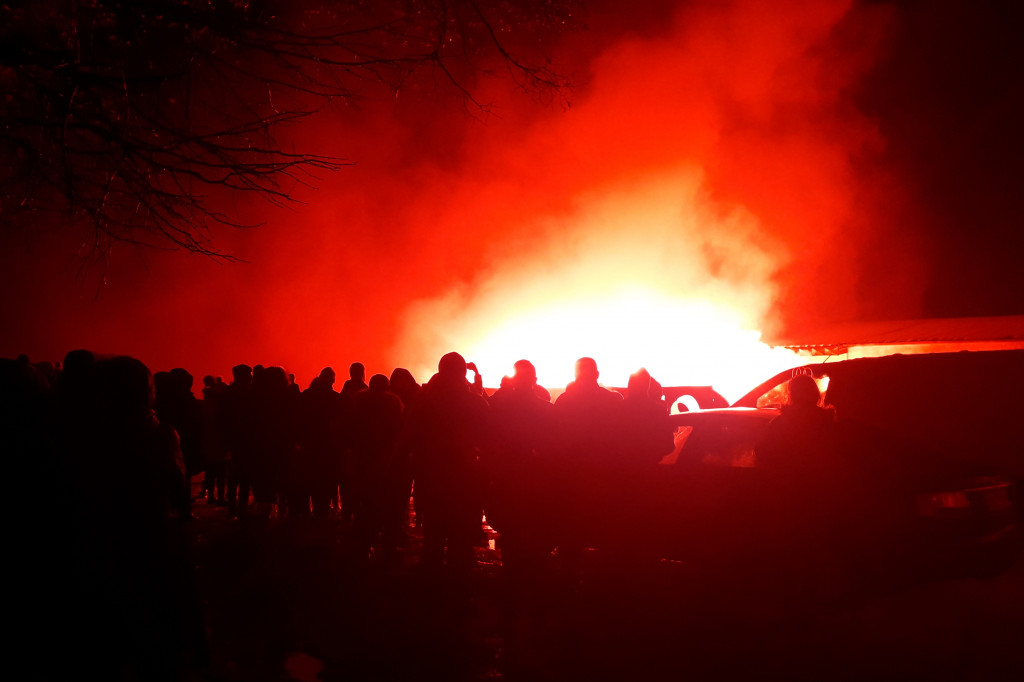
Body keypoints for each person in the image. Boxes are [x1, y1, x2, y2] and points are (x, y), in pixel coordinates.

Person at [399, 352, 491, 575]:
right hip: (465, 478)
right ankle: (456, 588)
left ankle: (431, 586)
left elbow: (408, 439)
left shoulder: (426, 403)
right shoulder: (476, 402)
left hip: (433, 476)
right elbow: (489, 441)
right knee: (460, 538)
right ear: (462, 373)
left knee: (434, 534)